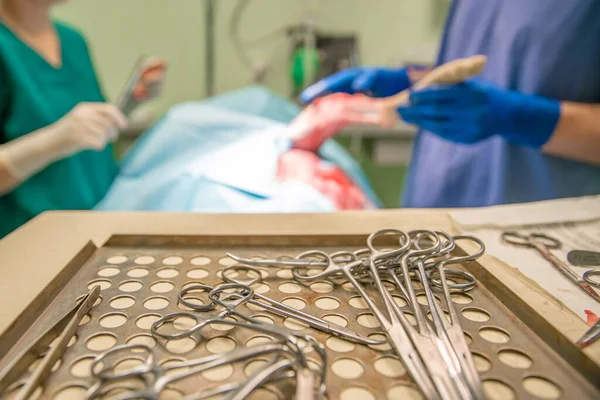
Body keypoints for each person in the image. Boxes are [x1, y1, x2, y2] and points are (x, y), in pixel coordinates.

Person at [301, 0, 600, 208]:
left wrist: (520, 117)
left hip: (540, 227)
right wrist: (413, 82)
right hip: (435, 212)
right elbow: (493, 64)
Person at [0, 0, 165, 238]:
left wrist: (132, 101)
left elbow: (88, 134)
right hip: (27, 239)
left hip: (97, 225)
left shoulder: (72, 41)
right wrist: (53, 141)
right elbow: (66, 132)